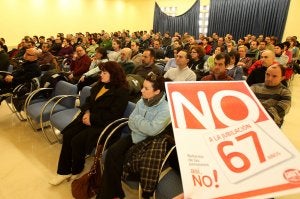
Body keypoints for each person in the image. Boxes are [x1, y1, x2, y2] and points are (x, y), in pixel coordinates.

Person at [49, 61, 129, 185]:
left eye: (104, 73)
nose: (101, 75)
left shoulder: (122, 91)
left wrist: (92, 118)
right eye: (101, 72)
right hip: (88, 117)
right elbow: (87, 101)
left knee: (77, 140)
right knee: (68, 134)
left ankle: (77, 168)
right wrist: (86, 112)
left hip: (104, 125)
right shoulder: (100, 84)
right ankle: (63, 171)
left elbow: (114, 115)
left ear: (114, 74)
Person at [97, 72, 170, 199]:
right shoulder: (142, 101)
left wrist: (138, 122)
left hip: (148, 142)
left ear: (157, 91)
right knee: (112, 153)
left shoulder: (166, 109)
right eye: (143, 86)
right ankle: (115, 192)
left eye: (146, 88)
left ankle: (108, 195)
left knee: (117, 160)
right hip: (135, 136)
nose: (141, 90)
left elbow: (152, 131)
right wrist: (143, 125)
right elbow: (130, 121)